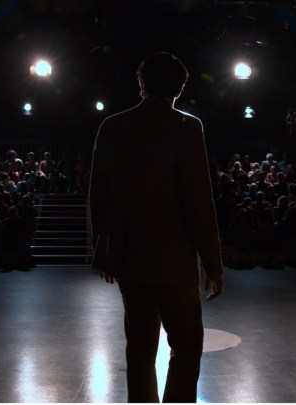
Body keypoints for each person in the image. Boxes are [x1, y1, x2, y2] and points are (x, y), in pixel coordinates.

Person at [88, 52, 224, 403]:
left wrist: (104, 251)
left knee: (140, 348)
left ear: (141, 83)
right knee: (186, 347)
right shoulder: (186, 127)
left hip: (131, 258)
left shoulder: (112, 126)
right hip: (176, 262)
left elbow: (99, 195)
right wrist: (212, 263)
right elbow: (199, 201)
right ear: (179, 88)